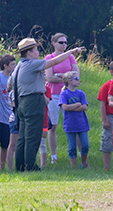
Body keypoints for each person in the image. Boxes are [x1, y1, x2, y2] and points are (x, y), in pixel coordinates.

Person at [11, 37, 82, 171]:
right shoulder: (31, 64)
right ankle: (31, 166)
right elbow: (54, 61)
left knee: (23, 137)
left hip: (22, 102)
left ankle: (20, 166)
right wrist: (71, 51)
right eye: (36, 49)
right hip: (33, 101)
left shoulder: (18, 66)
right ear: (29, 53)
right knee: (33, 136)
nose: (38, 52)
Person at [45, 33, 79, 164]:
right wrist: (67, 77)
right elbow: (50, 78)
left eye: (65, 42)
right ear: (54, 43)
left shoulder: (70, 57)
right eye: (61, 42)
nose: (64, 45)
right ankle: (53, 156)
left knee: (73, 125)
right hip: (53, 94)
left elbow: (76, 76)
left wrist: (59, 74)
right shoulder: (49, 57)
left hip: (68, 94)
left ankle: (78, 154)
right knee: (52, 126)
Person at [59, 71, 90, 168]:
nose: (78, 80)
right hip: (70, 123)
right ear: (69, 81)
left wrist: (72, 108)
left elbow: (84, 107)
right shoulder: (64, 94)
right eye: (76, 79)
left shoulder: (81, 93)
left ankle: (83, 163)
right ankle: (73, 167)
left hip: (82, 123)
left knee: (85, 145)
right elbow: (64, 107)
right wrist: (76, 105)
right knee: (72, 147)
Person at [98, 60, 113, 171]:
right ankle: (106, 167)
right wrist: (104, 120)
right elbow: (102, 103)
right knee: (107, 143)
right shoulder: (107, 85)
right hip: (110, 116)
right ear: (112, 72)